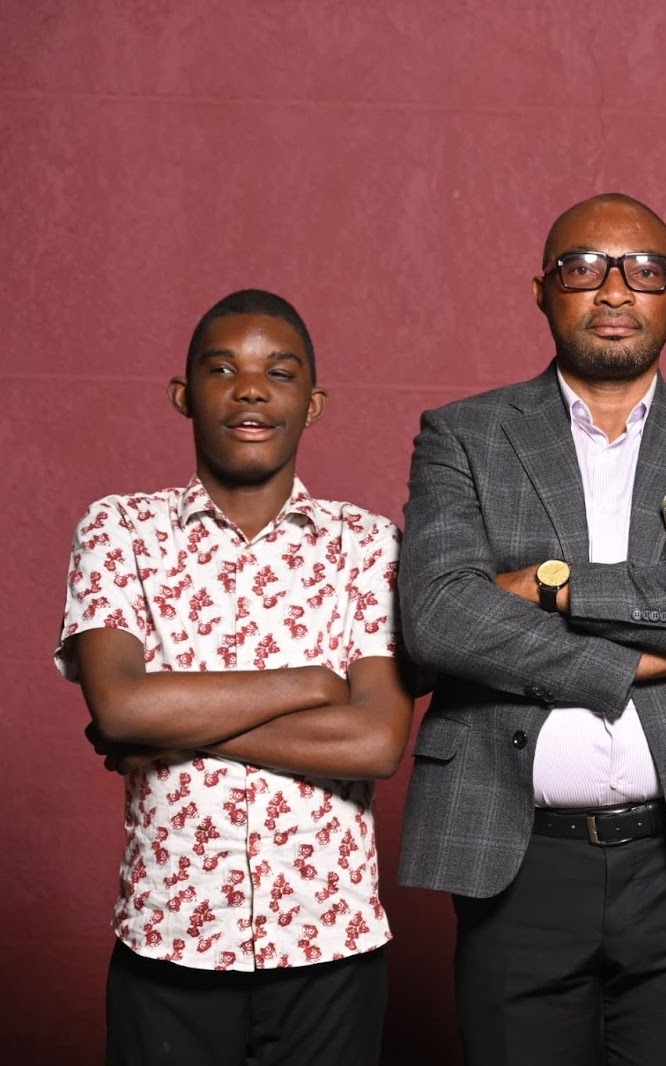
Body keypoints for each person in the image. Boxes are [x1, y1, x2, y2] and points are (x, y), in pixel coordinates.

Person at [397, 192, 666, 1066]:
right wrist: (664, 624)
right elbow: (437, 619)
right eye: (584, 267)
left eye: (645, 270)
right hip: (517, 858)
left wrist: (547, 586)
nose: (615, 289)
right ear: (541, 291)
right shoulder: (464, 436)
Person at [55, 289, 417, 1066]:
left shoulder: (367, 545)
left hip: (332, 945)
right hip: (168, 942)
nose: (250, 388)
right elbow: (120, 706)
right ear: (185, 396)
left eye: (278, 373)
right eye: (223, 369)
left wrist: (175, 719)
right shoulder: (119, 530)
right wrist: (315, 681)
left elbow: (377, 740)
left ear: (311, 404)